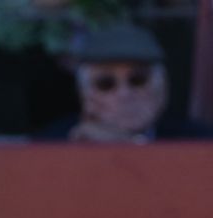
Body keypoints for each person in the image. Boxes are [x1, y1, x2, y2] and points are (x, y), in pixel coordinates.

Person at [40, 22, 212, 142]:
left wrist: (131, 145)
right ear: (85, 94)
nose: (124, 94)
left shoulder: (198, 141)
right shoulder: (53, 142)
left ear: (162, 88)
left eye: (138, 80)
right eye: (105, 83)